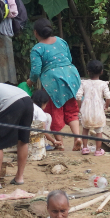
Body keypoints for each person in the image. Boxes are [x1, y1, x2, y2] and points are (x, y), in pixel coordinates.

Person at [28, 18, 82, 151]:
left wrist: (31, 81)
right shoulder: (61, 40)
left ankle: (60, 143)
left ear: (36, 33)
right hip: (71, 76)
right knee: (71, 109)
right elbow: (69, 59)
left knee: (55, 111)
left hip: (53, 81)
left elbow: (35, 70)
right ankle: (78, 138)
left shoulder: (37, 49)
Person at [76, 59, 110, 156]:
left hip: (86, 111)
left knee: (85, 129)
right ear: (101, 72)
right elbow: (108, 97)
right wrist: (106, 107)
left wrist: (80, 107)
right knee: (99, 131)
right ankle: (98, 150)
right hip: (98, 111)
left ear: (88, 72)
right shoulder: (103, 84)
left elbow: (78, 96)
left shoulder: (84, 83)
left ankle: (85, 148)